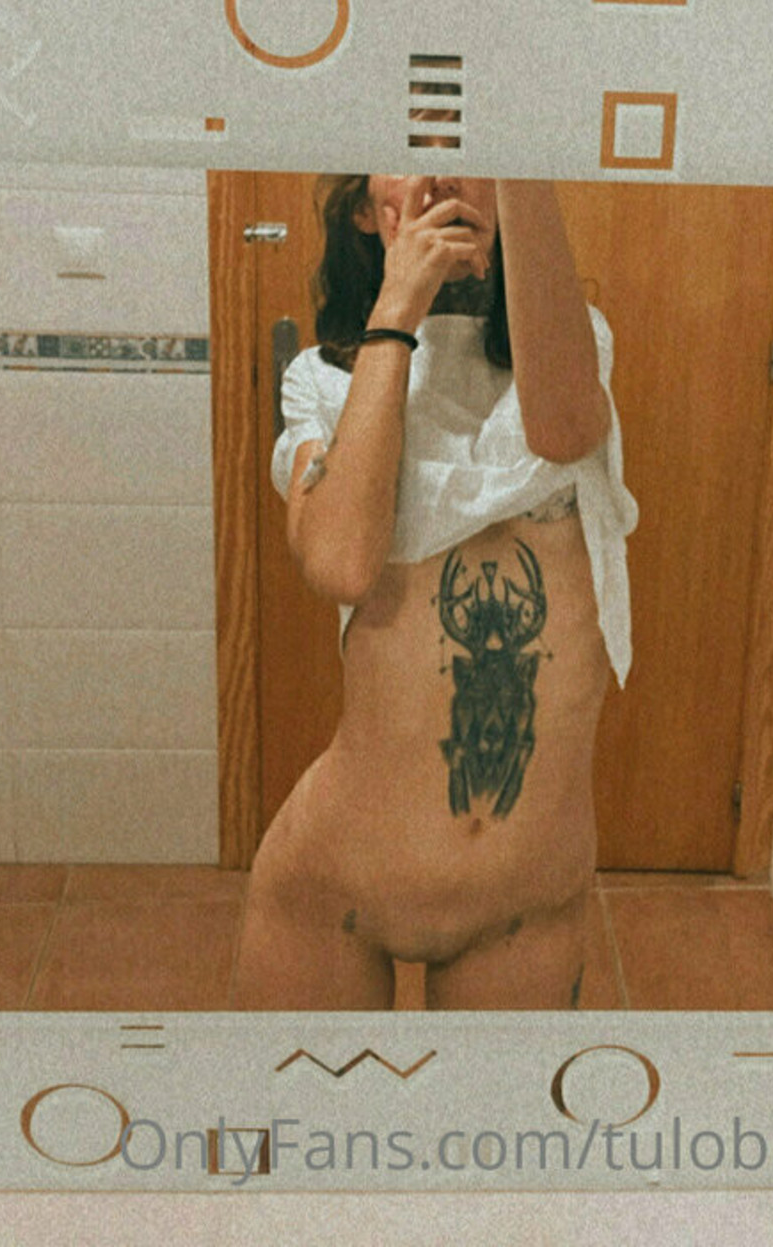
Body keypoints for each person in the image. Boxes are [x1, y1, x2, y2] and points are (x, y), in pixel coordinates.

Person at [232, 173, 637, 1011]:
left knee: (499, 1111)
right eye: (409, 148)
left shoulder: (573, 344)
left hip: (524, 901)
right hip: (334, 888)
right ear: (364, 208)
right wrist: (397, 308)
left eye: (468, 146)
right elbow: (340, 562)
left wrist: (520, 170)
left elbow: (563, 431)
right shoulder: (321, 381)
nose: (442, 170)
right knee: (304, 1108)